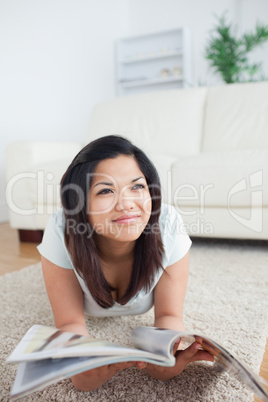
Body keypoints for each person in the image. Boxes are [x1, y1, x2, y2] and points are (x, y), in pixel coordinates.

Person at [38, 135, 214, 391]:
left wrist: (163, 358)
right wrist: (81, 369)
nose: (127, 204)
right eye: (106, 190)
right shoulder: (60, 228)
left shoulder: (168, 224)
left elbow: (169, 314)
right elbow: (69, 323)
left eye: (137, 186)